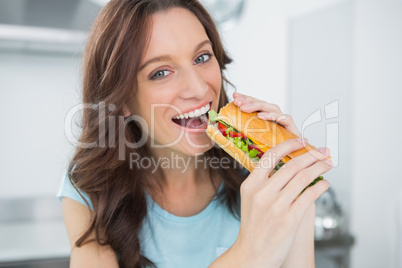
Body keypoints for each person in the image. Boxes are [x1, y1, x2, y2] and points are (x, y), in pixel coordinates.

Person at [57, 0, 332, 267]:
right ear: (124, 101)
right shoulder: (91, 188)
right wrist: (248, 253)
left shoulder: (260, 177)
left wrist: (297, 188)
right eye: (161, 72)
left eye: (202, 57)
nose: (200, 89)